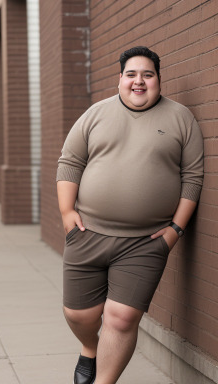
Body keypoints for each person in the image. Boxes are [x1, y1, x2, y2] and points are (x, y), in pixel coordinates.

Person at [56, 46, 204, 384]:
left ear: (158, 79)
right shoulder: (96, 114)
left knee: (121, 318)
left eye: (147, 75)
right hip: (88, 231)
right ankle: (89, 348)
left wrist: (175, 231)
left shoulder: (181, 118)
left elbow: (193, 179)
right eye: (131, 74)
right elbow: (70, 162)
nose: (139, 81)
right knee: (79, 314)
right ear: (120, 79)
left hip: (146, 240)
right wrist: (67, 212)